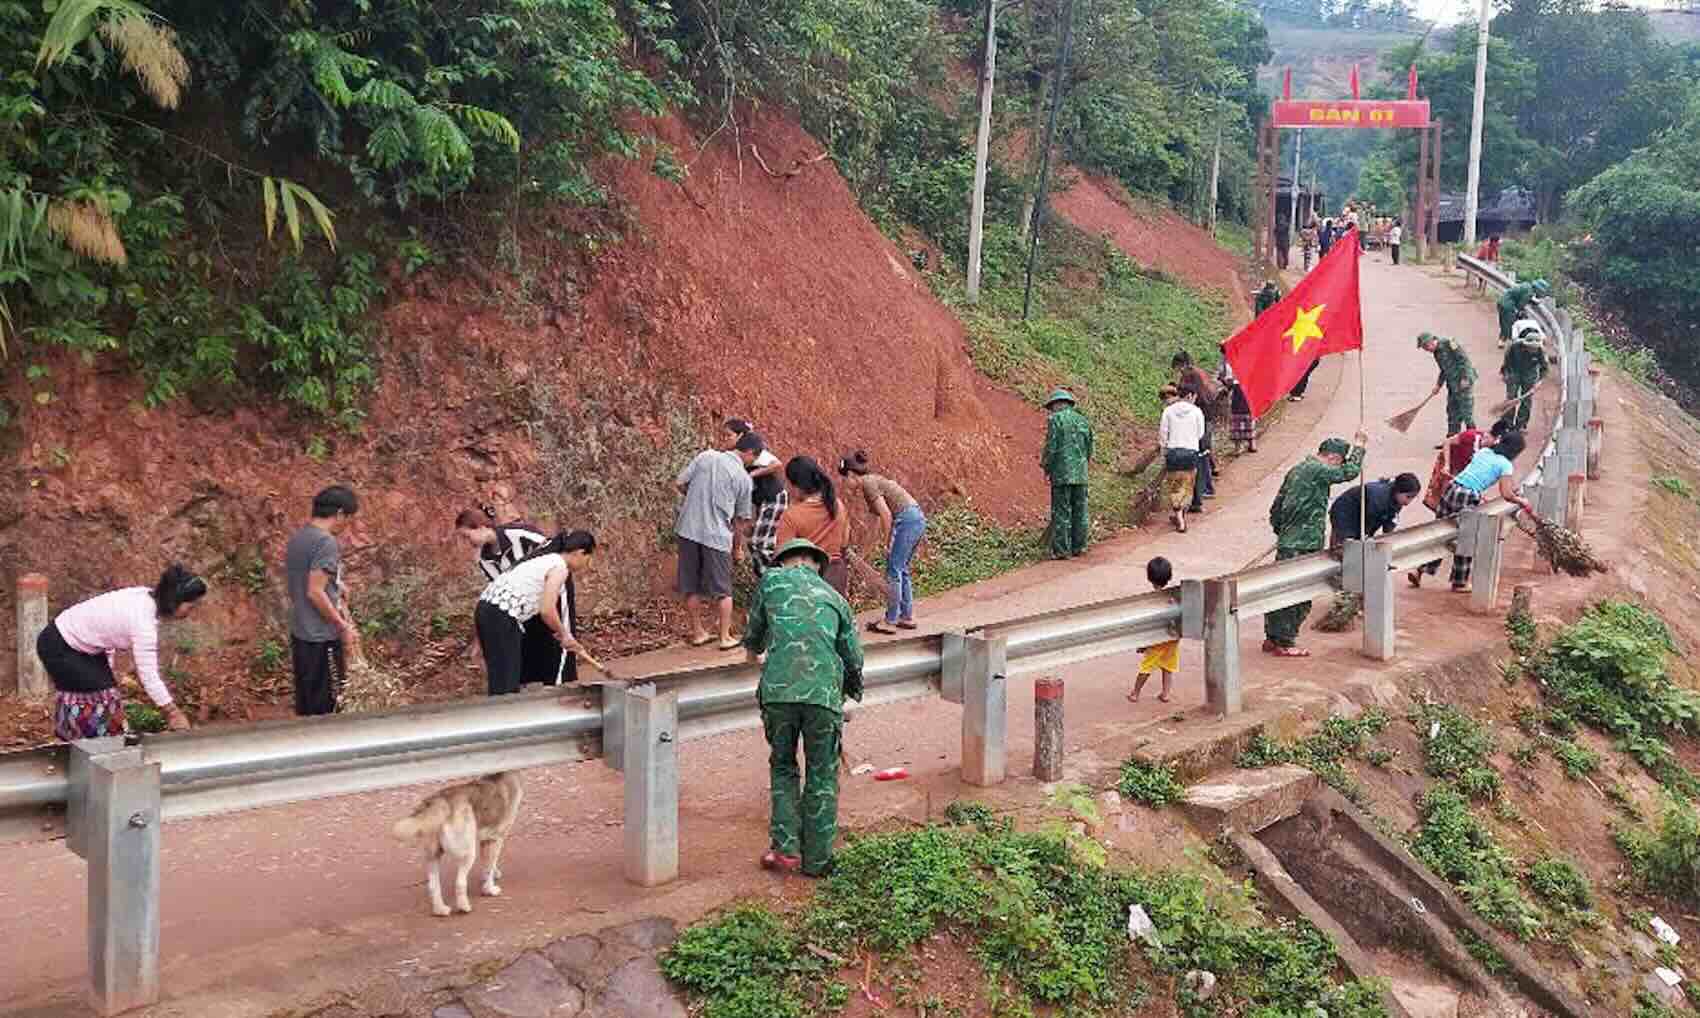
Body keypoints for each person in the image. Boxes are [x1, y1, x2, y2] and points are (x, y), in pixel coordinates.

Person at [744, 538, 864, 877]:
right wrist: (852, 693)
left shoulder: (770, 582)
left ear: (784, 561)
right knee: (822, 773)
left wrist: (759, 657)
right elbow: (853, 658)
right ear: (816, 564)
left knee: (783, 766)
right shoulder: (836, 599)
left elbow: (752, 637)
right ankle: (818, 861)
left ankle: (785, 851)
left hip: (779, 696)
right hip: (824, 697)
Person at [38, 565, 207, 740]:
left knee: (106, 694)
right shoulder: (143, 623)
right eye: (191, 606)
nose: (191, 611)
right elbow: (148, 675)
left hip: (77, 643)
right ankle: (88, 749)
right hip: (60, 646)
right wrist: (173, 713)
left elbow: (106, 630)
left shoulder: (144, 596)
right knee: (102, 700)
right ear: (174, 601)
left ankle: (86, 743)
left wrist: (107, 669)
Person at [1264, 434, 1366, 657]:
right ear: (1332, 457)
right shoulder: (1318, 470)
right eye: (1339, 460)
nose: (1338, 465)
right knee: (1299, 595)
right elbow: (1349, 473)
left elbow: (1276, 507)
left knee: (1280, 590)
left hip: (1288, 541)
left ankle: (1273, 638)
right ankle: (1286, 642)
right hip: (1305, 543)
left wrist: (1282, 532)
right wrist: (1359, 446)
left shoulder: (1297, 469)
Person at [475, 531, 596, 694]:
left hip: (486, 609)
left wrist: (560, 632)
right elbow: (546, 610)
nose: (588, 565)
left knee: (501, 677)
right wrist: (564, 634)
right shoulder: (559, 567)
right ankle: (506, 715)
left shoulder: (543, 560)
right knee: (506, 682)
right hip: (501, 614)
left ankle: (502, 714)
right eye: (588, 559)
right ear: (580, 553)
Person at [1410, 433, 1534, 593]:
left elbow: (1477, 473)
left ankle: (1418, 570)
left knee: (1440, 534)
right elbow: (1506, 494)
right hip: (1467, 496)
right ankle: (1459, 581)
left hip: (1451, 489)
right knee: (1466, 538)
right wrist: (1521, 501)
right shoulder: (1505, 464)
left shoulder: (1484, 452)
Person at [676, 436, 757, 650]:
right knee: (723, 589)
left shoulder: (705, 456)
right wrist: (737, 548)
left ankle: (698, 632)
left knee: (690, 584)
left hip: (688, 529)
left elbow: (680, 483)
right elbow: (740, 520)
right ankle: (724, 637)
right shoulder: (743, 478)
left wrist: (695, 498)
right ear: (749, 453)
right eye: (754, 457)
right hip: (717, 536)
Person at [287, 485, 359, 716]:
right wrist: (341, 625)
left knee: (307, 705)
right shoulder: (326, 542)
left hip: (301, 635)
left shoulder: (299, 538)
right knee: (329, 706)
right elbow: (315, 591)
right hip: (322, 638)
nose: (347, 525)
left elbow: (307, 579)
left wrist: (337, 586)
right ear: (339, 514)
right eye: (348, 519)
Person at [840, 451, 925, 635]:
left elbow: (886, 515)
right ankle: (906, 616)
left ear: (851, 475)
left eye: (845, 479)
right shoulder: (872, 481)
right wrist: (864, 552)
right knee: (901, 568)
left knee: (894, 570)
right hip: (915, 518)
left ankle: (891, 620)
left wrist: (888, 543)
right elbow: (876, 521)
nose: (845, 485)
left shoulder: (868, 484)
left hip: (907, 520)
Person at [775, 456, 851, 596]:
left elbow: (783, 557)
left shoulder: (792, 516)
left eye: (788, 484)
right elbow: (844, 541)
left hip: (806, 583)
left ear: (796, 486)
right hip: (836, 577)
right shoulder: (837, 505)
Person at [727, 419, 787, 574]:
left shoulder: (753, 451)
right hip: (762, 501)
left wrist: (751, 474)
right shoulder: (733, 456)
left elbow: (777, 464)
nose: (725, 439)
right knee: (759, 541)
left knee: (759, 543)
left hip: (774, 498)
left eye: (729, 435)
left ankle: (772, 577)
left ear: (740, 436)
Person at [1040, 388, 1093, 560]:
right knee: (1081, 511)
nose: (1052, 410)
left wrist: (1046, 466)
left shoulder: (1055, 420)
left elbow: (1052, 447)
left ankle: (1062, 550)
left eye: (1052, 406)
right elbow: (1089, 448)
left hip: (1062, 474)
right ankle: (1080, 547)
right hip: (1081, 473)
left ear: (1057, 404)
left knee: (1061, 512)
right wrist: (1083, 465)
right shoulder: (1083, 420)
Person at [1129, 557, 1179, 704]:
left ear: (1149, 577)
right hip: (1173, 638)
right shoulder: (1173, 596)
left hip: (1158, 639)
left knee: (1147, 667)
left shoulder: (1153, 600)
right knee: (1168, 665)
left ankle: (1135, 693)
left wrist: (1143, 644)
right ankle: (1165, 693)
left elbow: (1152, 625)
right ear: (1169, 577)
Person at [1173, 353, 1220, 508]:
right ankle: (1207, 487)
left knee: (1201, 454)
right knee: (1204, 453)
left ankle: (1203, 490)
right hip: (1206, 417)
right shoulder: (1199, 375)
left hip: (1202, 420)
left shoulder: (1191, 378)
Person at [1328, 473, 1422, 550]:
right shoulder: (1379, 498)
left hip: (1362, 515)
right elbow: (1368, 524)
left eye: (1412, 498)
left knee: (1358, 548)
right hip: (1345, 513)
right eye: (1408, 497)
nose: (1409, 502)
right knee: (1343, 549)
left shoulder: (1396, 500)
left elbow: (1390, 521)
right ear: (1398, 490)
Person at [1158, 384, 1205, 533]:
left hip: (1173, 452)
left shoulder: (1168, 411)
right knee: (1187, 485)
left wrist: (1164, 449)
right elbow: (1200, 433)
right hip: (1190, 453)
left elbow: (1163, 433)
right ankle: (1181, 515)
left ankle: (1178, 515)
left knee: (1175, 486)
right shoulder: (1197, 411)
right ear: (1190, 396)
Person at [1417, 332, 1478, 437]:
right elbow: (1444, 369)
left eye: (1426, 347)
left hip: (1463, 382)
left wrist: (1465, 378)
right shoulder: (1436, 353)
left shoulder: (1449, 343)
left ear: (1430, 342)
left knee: (1466, 412)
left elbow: (1464, 360)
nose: (1427, 350)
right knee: (1452, 411)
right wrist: (1438, 385)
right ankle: (1452, 439)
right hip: (1452, 384)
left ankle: (1473, 438)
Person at [1499, 322, 1548, 431]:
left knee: (1526, 400)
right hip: (1514, 371)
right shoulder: (1514, 347)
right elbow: (1507, 362)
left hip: (1529, 374)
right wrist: (1504, 373)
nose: (1532, 350)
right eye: (1530, 348)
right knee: (1511, 397)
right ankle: (1508, 423)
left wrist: (1539, 381)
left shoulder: (1541, 350)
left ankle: (1521, 424)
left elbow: (1545, 368)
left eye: (1534, 348)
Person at [1218, 348, 1257, 454]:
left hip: (1244, 388)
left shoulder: (1241, 357)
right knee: (1238, 417)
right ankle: (1241, 445)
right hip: (1237, 390)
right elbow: (1222, 376)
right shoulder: (1225, 361)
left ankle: (1250, 442)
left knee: (1246, 416)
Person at [1496, 279, 1550, 347]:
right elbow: (1521, 305)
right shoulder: (1529, 292)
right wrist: (1520, 312)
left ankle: (1502, 341)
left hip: (1502, 302)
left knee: (1505, 323)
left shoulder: (1527, 286)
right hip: (1508, 306)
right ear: (1538, 289)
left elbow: (1522, 298)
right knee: (1511, 324)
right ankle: (1512, 343)